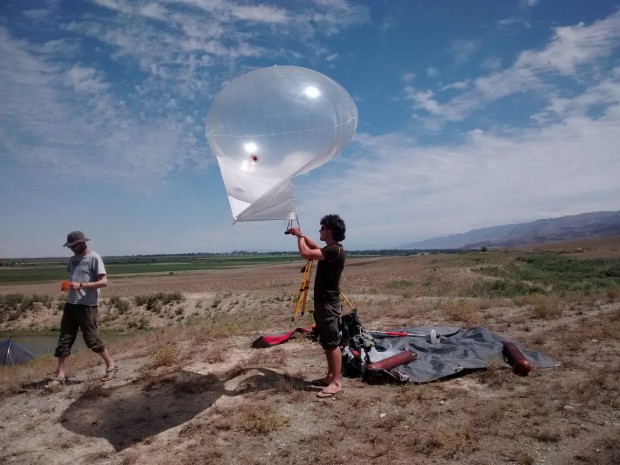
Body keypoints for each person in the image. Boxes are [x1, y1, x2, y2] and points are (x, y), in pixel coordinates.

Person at [46, 231, 117, 388]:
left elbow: (104, 282)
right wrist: (69, 286)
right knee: (64, 339)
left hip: (87, 306)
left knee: (92, 340)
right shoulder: (72, 260)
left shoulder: (94, 258)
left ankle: (111, 365)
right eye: (69, 246)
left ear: (82, 243)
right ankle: (60, 377)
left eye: (73, 245)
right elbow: (75, 279)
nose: (71, 248)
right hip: (71, 304)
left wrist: (82, 286)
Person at [288, 214, 346, 398]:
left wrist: (299, 237)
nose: (319, 231)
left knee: (332, 343)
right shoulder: (332, 249)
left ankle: (336, 382)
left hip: (328, 304)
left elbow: (306, 253)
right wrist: (301, 234)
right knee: (327, 342)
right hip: (324, 302)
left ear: (329, 229)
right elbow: (314, 247)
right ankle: (330, 376)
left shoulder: (334, 250)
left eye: (321, 228)